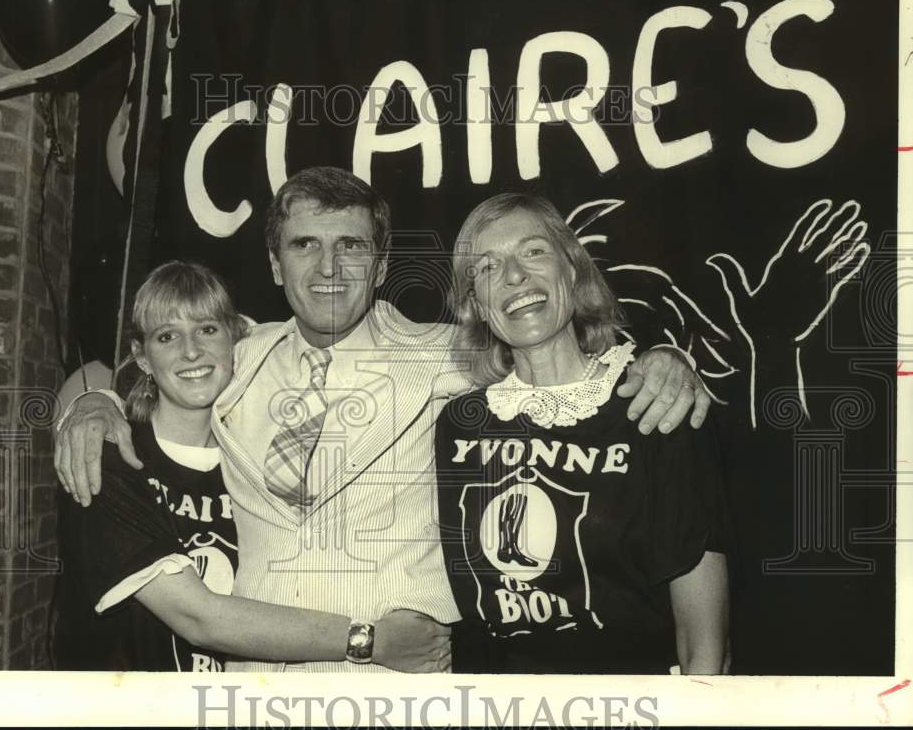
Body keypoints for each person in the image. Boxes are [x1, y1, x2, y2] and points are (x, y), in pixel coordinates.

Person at [55, 166, 711, 674]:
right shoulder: (238, 354)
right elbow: (156, 361)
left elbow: (551, 340)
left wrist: (662, 356)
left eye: (351, 246)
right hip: (257, 681)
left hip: (399, 676)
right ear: (276, 264)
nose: (329, 268)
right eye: (305, 245)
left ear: (381, 262)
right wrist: (92, 401)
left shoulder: (444, 355)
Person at [64, 260, 450, 672]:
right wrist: (370, 641)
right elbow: (199, 618)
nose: (191, 351)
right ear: (142, 356)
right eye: (167, 336)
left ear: (235, 339)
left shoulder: (252, 452)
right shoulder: (112, 461)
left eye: (208, 330)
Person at [435, 193, 730, 674]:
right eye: (486, 268)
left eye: (533, 251)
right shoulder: (458, 424)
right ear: (477, 307)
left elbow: (705, 646)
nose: (514, 276)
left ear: (571, 271)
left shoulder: (653, 403)